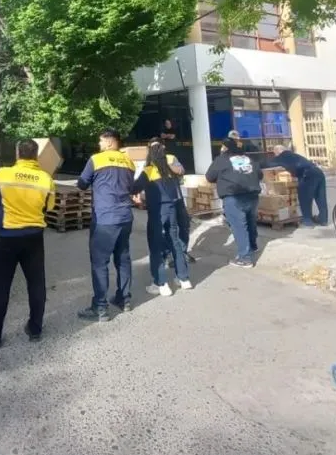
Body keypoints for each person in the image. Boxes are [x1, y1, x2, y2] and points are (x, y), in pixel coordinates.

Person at [0, 139, 56, 347]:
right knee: (36, 283)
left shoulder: (3, 174)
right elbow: (48, 208)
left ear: (17, 153)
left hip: (7, 237)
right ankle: (35, 329)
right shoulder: (46, 179)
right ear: (36, 156)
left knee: (1, 287)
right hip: (34, 238)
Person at [76, 129, 136, 321]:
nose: (99, 145)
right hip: (126, 217)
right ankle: (124, 299)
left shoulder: (97, 159)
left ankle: (100, 308)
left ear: (110, 142)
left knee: (100, 262)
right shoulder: (129, 162)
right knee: (123, 258)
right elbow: (130, 187)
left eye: (101, 141)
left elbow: (82, 184)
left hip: (105, 218)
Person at [132, 139, 191, 296]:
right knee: (175, 242)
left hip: (157, 212)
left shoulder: (149, 170)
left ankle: (161, 284)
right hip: (172, 207)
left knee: (156, 246)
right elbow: (181, 172)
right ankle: (184, 279)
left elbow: (135, 187)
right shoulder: (170, 169)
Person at [205, 136, 263, 268]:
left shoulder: (222, 160)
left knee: (239, 226)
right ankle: (252, 246)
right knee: (250, 222)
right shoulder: (248, 158)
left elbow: (210, 176)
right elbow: (260, 175)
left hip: (233, 197)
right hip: (253, 195)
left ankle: (245, 258)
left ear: (224, 148)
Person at [270, 144, 329, 227]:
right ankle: (323, 220)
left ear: (277, 152)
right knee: (320, 197)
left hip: (307, 175)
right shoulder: (294, 155)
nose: (275, 155)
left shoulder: (282, 156)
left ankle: (307, 221)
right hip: (318, 172)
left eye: (274, 153)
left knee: (304, 197)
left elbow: (268, 163)